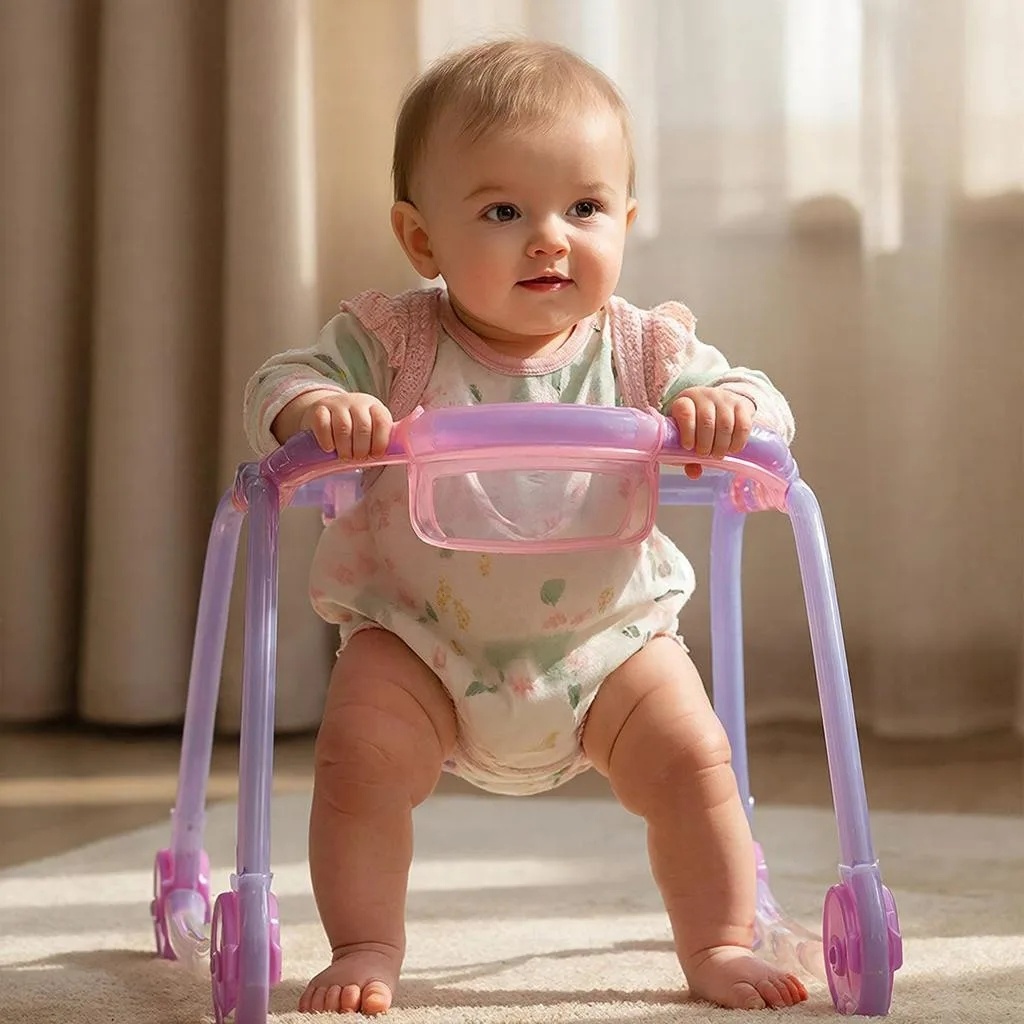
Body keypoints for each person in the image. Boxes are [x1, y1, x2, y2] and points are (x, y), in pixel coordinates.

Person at [244, 38, 805, 1017]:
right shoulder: (393, 343)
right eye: (503, 211)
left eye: (584, 208)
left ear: (625, 222)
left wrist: (728, 411)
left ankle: (717, 939)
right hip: (420, 641)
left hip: (609, 644)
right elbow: (278, 381)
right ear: (421, 241)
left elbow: (763, 404)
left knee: (693, 759)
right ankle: (366, 941)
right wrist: (316, 408)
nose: (550, 239)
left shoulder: (643, 349)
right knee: (357, 760)